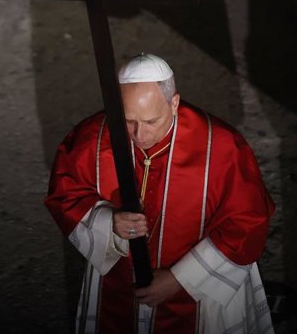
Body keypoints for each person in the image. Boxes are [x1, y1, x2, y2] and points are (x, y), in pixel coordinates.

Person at [45, 53, 276, 334]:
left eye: (151, 121)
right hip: (117, 289)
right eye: (128, 120)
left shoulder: (223, 147)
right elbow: (66, 194)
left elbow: (246, 223)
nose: (139, 134)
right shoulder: (92, 138)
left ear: (174, 102)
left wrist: (180, 280)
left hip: (200, 298)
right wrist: (109, 222)